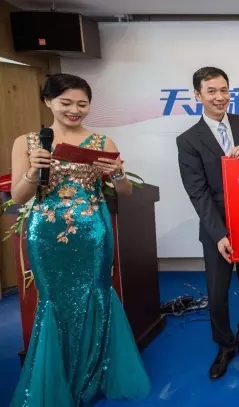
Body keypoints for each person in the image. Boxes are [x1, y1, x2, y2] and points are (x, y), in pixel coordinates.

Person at [9, 73, 151, 406]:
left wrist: (117, 173)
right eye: (66, 103)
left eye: (82, 104)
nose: (74, 110)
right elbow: (19, 196)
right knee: (54, 302)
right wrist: (33, 171)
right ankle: (59, 379)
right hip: (46, 235)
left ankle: (94, 374)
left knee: (96, 296)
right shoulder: (27, 142)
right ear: (48, 102)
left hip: (92, 234)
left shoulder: (102, 142)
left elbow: (125, 192)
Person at [176, 66, 239, 380]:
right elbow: (198, 192)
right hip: (215, 229)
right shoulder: (188, 140)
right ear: (198, 95)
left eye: (224, 90)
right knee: (217, 292)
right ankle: (224, 345)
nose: (219, 97)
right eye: (211, 91)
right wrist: (219, 234)